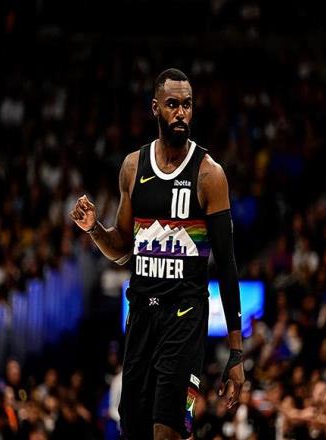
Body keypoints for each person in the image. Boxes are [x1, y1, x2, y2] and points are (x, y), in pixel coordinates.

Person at [70, 68, 244, 439]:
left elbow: (228, 267)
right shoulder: (133, 166)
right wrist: (94, 229)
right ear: (155, 108)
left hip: (185, 317)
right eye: (172, 104)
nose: (181, 113)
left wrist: (236, 352)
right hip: (141, 316)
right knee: (134, 430)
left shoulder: (209, 174)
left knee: (167, 430)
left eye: (187, 105)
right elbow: (122, 250)